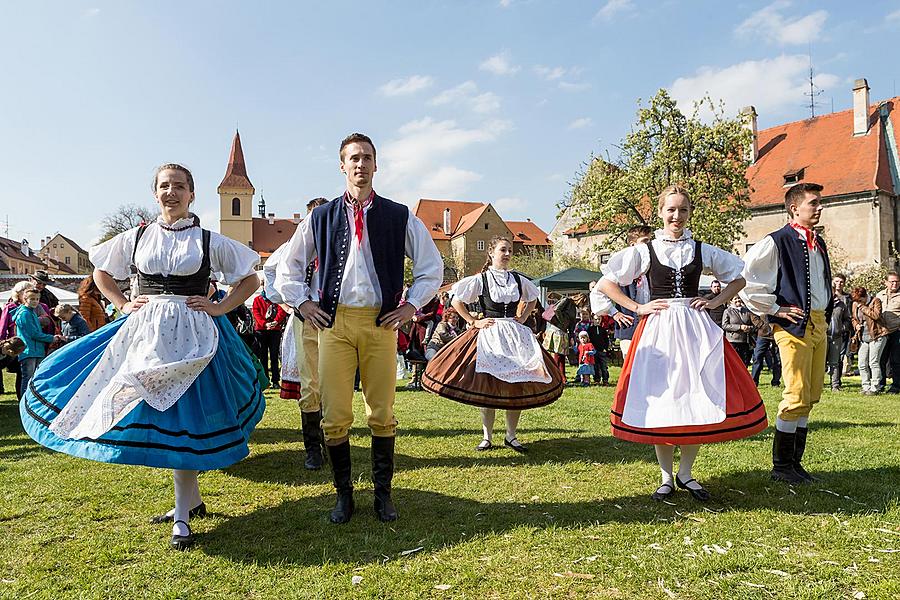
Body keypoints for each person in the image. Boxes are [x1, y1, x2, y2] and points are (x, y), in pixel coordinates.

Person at [19, 163, 265, 550]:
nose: (172, 193)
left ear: (191, 194)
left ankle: (182, 515)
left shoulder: (207, 239)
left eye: (179, 187)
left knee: (185, 417)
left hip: (195, 338)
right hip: (144, 335)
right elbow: (101, 272)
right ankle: (192, 501)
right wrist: (121, 302)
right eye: (165, 186)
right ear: (155, 193)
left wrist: (221, 308)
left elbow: (250, 278)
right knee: (167, 415)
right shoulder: (136, 237)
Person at [274, 133, 443, 524]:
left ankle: (383, 495)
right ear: (342, 166)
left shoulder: (398, 215)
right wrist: (303, 303)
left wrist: (410, 307)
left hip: (380, 324)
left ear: (376, 165)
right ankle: (344, 495)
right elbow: (289, 268)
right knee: (334, 416)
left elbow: (431, 268)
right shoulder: (321, 216)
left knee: (382, 413)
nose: (360, 165)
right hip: (335, 323)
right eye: (353, 158)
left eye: (367, 157)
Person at [597, 185, 767, 502]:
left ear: (689, 213)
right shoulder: (645, 251)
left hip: (695, 329)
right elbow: (607, 282)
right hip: (659, 330)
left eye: (683, 210)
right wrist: (636, 308)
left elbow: (740, 278)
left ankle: (686, 473)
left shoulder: (702, 249)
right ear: (660, 212)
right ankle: (665, 477)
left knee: (696, 397)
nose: (677, 215)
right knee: (664, 402)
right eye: (671, 209)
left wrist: (716, 300)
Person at [423, 236, 564, 453]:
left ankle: (511, 436)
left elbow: (533, 298)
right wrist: (473, 321)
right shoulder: (482, 279)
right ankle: (487, 437)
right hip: (489, 334)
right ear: (491, 253)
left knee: (516, 385)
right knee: (487, 385)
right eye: (502, 250)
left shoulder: (518, 279)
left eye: (509, 250)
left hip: (515, 335)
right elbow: (456, 300)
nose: (507, 254)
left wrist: (524, 316)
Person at [741, 182, 833, 484]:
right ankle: (781, 467)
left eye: (819, 203)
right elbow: (749, 282)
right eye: (813, 203)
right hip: (794, 326)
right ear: (795, 208)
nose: (819, 208)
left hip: (818, 322)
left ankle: (795, 465)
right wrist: (777, 310)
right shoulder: (776, 241)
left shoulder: (818, 243)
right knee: (794, 393)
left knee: (810, 394)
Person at [590, 225, 652, 360]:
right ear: (632, 244)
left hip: (653, 327)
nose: (649, 246)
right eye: (645, 241)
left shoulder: (653, 266)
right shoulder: (623, 268)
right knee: (632, 366)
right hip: (629, 326)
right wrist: (614, 313)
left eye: (650, 242)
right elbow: (597, 291)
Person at [14, 288, 62, 395]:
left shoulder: (31, 313)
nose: (35, 301)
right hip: (29, 350)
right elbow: (33, 334)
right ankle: (24, 402)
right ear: (25, 299)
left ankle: (31, 400)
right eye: (32, 299)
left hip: (37, 350)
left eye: (37, 299)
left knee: (35, 378)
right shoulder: (24, 314)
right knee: (28, 378)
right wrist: (52, 338)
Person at [850, 287, 887, 396]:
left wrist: (863, 307)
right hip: (863, 337)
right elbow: (853, 318)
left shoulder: (876, 301)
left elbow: (876, 315)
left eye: (860, 300)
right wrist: (856, 325)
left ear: (865, 296)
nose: (858, 303)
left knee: (873, 362)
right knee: (861, 363)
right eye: (856, 301)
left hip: (877, 335)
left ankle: (875, 387)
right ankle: (865, 386)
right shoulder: (855, 304)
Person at [252, 289, 287, 389]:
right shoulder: (257, 299)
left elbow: (282, 310)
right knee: (263, 357)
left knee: (274, 356)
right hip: (261, 331)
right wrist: (265, 323)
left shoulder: (277, 299)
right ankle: (266, 380)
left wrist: (276, 322)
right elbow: (256, 313)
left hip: (275, 330)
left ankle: (275, 380)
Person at [875, 272, 900, 393]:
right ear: (885, 282)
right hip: (882, 332)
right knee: (881, 359)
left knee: (896, 360)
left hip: (896, 332)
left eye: (897, 281)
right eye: (892, 281)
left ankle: (896, 385)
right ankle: (880, 383)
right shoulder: (879, 295)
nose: (895, 284)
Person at [826, 274, 852, 391]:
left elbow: (847, 318)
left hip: (837, 336)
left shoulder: (841, 304)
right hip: (823, 336)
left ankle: (835, 385)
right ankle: (818, 385)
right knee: (820, 363)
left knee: (835, 362)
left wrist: (843, 328)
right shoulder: (822, 304)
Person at [749, 312, 781, 387]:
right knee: (757, 357)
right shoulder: (761, 301)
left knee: (778, 359)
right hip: (762, 335)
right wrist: (761, 325)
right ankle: (754, 382)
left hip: (776, 333)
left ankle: (776, 382)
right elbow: (753, 313)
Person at [722, 296, 754, 366]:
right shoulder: (727, 311)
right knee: (733, 363)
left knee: (744, 363)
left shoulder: (746, 311)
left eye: (738, 298)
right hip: (733, 341)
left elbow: (753, 325)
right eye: (735, 299)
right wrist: (739, 327)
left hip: (744, 341)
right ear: (731, 301)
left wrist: (749, 328)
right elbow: (724, 325)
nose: (738, 300)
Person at [586, 315, 610, 385]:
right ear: (593, 320)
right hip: (594, 351)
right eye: (596, 319)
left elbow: (606, 340)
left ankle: (605, 380)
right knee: (595, 366)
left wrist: (605, 348)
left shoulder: (603, 330)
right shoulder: (590, 329)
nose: (597, 321)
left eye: (599, 319)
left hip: (602, 351)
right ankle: (597, 379)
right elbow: (588, 340)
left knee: (604, 366)